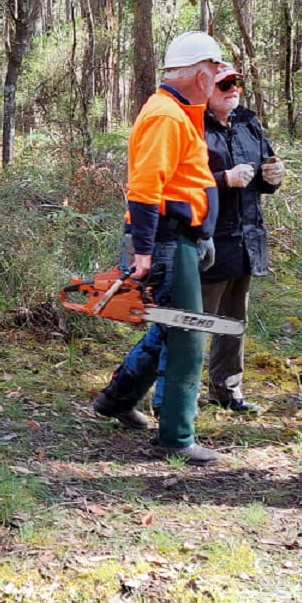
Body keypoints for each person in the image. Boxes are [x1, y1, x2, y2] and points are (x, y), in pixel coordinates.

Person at [91, 31, 223, 465]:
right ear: (200, 75)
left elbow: (187, 180)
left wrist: (202, 232)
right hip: (165, 238)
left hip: (179, 236)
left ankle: (116, 399)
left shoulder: (182, 113)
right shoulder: (166, 115)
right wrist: (143, 251)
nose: (217, 82)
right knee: (186, 333)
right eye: (214, 73)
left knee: (168, 325)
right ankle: (176, 436)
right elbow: (146, 187)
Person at [200, 64, 284, 411]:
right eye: (224, 84)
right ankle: (175, 396)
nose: (233, 89)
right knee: (193, 322)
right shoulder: (193, 126)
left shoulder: (248, 122)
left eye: (237, 83)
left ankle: (226, 390)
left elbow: (263, 174)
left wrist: (274, 175)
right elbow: (179, 183)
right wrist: (224, 179)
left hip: (246, 239)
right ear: (206, 88)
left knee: (233, 321)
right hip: (207, 240)